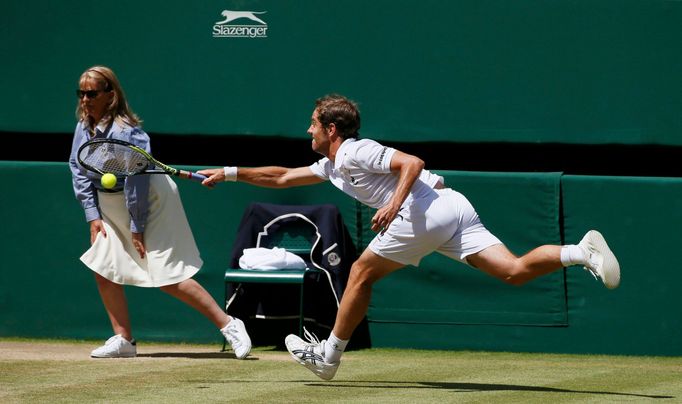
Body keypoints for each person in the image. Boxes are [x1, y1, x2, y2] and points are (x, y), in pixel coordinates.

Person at [197, 94, 620, 380]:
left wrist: (394, 204)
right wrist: (230, 173)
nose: (308, 132)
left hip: (422, 209)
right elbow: (283, 176)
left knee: (360, 271)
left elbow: (412, 162)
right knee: (513, 271)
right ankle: (579, 251)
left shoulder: (355, 150)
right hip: (451, 206)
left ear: (330, 129)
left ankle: (328, 358)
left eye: (312, 125)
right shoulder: (332, 165)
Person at [68, 65, 251, 359]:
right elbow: (78, 170)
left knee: (167, 276)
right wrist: (93, 215)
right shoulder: (83, 127)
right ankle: (123, 340)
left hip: (149, 201)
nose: (85, 100)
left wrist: (137, 226)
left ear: (110, 94)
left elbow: (136, 184)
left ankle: (229, 324)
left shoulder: (129, 133)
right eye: (81, 93)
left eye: (91, 93)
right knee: (103, 268)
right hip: (109, 205)